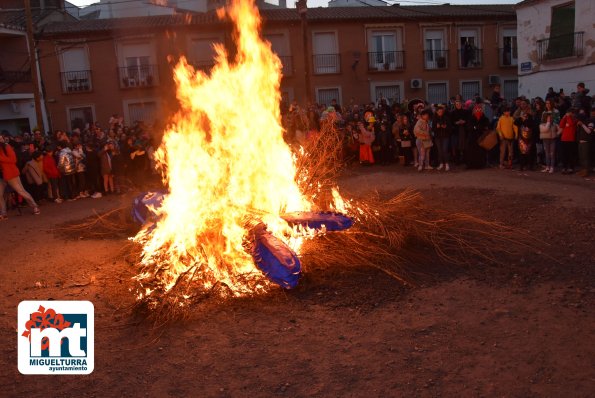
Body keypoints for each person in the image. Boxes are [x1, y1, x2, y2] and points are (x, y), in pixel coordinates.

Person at [0, 135, 40, 219]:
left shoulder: (7, 147)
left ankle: (34, 206)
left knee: (21, 191)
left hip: (10, 173)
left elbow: (13, 160)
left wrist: (1, 158)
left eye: (1, 138)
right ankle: (3, 213)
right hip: (2, 175)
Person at [465, 104, 490, 169]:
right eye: (477, 109)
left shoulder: (485, 118)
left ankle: (480, 165)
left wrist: (478, 127)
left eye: (480, 109)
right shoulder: (471, 118)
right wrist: (475, 127)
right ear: (474, 110)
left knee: (481, 152)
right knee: (471, 152)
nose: (478, 110)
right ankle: (471, 165)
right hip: (472, 138)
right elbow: (468, 127)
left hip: (481, 138)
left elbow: (487, 126)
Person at [432, 105, 451, 171]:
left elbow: (450, 128)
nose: (440, 112)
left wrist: (445, 127)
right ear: (436, 112)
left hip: (445, 137)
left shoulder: (446, 118)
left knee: (445, 150)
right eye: (439, 111)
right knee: (439, 151)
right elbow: (433, 129)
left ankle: (447, 164)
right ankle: (441, 163)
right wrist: (436, 127)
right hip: (437, 137)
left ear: (443, 112)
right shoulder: (434, 119)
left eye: (441, 111)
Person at [559, 109, 578, 174]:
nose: (568, 114)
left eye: (570, 113)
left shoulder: (575, 120)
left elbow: (571, 123)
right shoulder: (566, 118)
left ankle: (571, 168)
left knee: (571, 155)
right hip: (564, 139)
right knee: (564, 154)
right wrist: (564, 118)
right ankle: (564, 167)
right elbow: (561, 125)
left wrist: (569, 117)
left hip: (571, 139)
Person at [450, 99, 468, 164]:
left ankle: (464, 160)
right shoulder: (452, 112)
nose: (458, 105)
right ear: (455, 105)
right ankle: (457, 160)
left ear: (461, 104)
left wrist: (464, 121)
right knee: (456, 146)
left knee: (464, 146)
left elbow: (468, 120)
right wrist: (456, 123)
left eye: (459, 104)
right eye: (457, 104)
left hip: (464, 131)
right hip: (456, 131)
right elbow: (450, 122)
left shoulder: (465, 112)